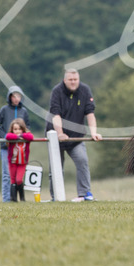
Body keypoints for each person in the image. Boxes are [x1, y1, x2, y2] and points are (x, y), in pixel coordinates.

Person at [47, 68, 102, 202]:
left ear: (79, 79)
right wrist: (60, 134)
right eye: (70, 80)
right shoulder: (57, 91)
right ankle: (56, 197)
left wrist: (93, 132)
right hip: (56, 137)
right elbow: (56, 115)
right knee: (55, 168)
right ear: (65, 80)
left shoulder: (85, 90)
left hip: (76, 138)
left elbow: (90, 113)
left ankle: (84, 195)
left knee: (82, 161)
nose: (73, 82)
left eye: (75, 79)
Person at [0, 85, 30, 203]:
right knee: (7, 174)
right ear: (9, 97)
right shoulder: (4, 110)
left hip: (20, 149)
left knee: (18, 175)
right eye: (14, 96)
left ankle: (20, 199)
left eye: (18, 96)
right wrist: (6, 137)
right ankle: (7, 199)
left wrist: (22, 137)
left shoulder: (24, 111)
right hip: (6, 148)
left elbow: (28, 127)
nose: (16, 98)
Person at [5, 118, 35, 202]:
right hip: (13, 162)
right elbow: (7, 136)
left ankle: (22, 198)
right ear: (12, 130)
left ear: (23, 129)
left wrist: (21, 136)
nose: (17, 131)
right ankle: (13, 199)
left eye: (19, 129)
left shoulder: (25, 137)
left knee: (19, 179)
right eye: (15, 129)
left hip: (22, 163)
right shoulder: (11, 137)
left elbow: (31, 137)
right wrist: (17, 137)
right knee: (13, 179)